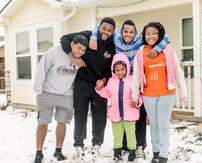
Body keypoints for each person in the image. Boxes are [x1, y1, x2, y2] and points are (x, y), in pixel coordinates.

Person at [89, 19, 169, 158]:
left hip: (136, 80)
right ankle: (126, 146)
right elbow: (98, 26)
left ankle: (139, 146)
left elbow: (165, 37)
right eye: (125, 31)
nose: (128, 34)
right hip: (120, 78)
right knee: (123, 116)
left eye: (132, 32)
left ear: (136, 33)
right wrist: (93, 37)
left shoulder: (139, 41)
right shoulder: (116, 38)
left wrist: (157, 49)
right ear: (121, 32)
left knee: (138, 116)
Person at [60, 17, 116, 161]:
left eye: (110, 30)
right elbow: (64, 39)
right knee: (80, 115)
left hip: (99, 85)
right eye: (104, 28)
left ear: (113, 32)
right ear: (99, 27)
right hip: (83, 82)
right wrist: (74, 58)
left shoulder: (113, 46)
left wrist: (104, 80)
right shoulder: (87, 35)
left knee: (100, 117)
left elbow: (112, 69)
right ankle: (78, 145)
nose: (106, 32)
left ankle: (96, 145)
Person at [131, 22, 188, 163]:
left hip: (166, 93)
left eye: (154, 33)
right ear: (144, 35)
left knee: (163, 124)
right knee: (154, 124)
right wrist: (134, 95)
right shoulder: (141, 52)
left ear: (159, 34)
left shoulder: (168, 50)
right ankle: (155, 151)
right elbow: (136, 75)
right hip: (148, 94)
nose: (151, 36)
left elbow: (178, 71)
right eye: (148, 33)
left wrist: (183, 92)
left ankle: (163, 154)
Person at [33, 35, 88, 163]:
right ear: (72, 44)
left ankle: (58, 151)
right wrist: (39, 91)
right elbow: (41, 69)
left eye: (83, 50)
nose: (80, 52)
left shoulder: (81, 59)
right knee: (43, 123)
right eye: (78, 48)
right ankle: (38, 153)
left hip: (66, 95)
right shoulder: (54, 52)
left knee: (62, 122)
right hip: (47, 92)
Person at [95, 52, 143, 162]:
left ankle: (132, 152)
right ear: (113, 70)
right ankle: (117, 152)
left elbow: (139, 95)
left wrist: (137, 101)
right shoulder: (112, 81)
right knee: (117, 135)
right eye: (117, 70)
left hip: (130, 113)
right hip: (116, 114)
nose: (120, 72)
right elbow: (107, 93)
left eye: (122, 69)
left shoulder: (132, 80)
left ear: (127, 68)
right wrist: (99, 89)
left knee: (131, 134)